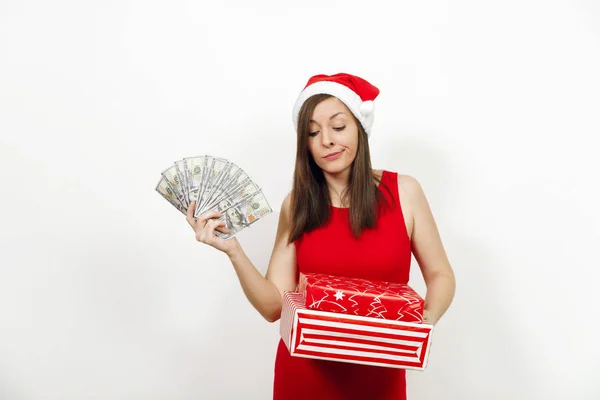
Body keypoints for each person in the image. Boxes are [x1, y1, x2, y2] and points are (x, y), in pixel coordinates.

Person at [186, 73, 456, 400]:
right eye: (313, 132)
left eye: (338, 127)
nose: (326, 139)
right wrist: (233, 251)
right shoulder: (296, 204)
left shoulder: (405, 192)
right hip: (304, 380)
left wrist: (422, 322)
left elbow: (440, 274)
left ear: (361, 128)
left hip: (380, 382)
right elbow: (274, 305)